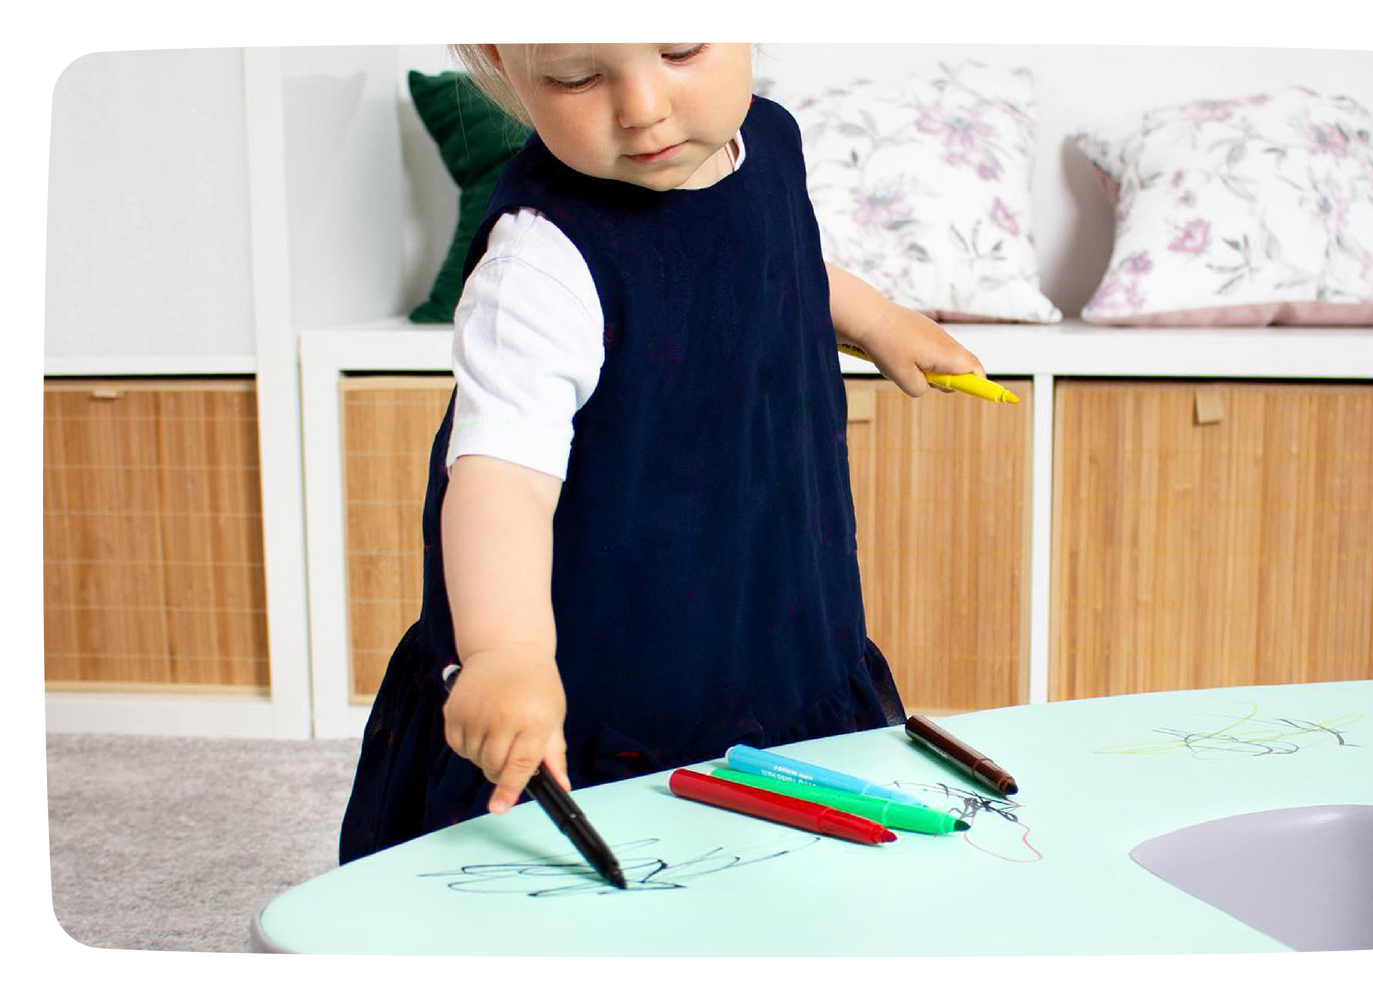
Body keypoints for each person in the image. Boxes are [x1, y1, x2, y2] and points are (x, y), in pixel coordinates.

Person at [339, 40, 984, 865]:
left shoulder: (765, 144)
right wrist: (506, 654)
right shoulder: (542, 261)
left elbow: (778, 256)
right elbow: (500, 484)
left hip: (773, 608)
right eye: (578, 77)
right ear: (507, 61)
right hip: (611, 677)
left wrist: (881, 321)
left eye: (680, 49)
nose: (641, 108)